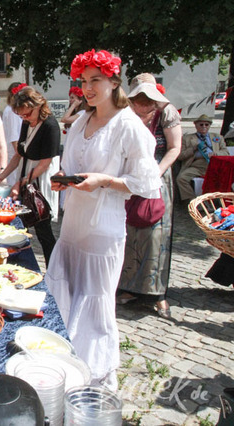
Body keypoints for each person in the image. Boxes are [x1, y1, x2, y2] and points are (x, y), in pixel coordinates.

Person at [46, 49, 161, 390]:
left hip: (102, 232)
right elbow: (75, 165)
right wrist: (63, 178)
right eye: (83, 82)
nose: (89, 88)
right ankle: (65, 368)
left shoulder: (129, 127)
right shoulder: (82, 119)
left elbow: (147, 182)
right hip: (73, 228)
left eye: (95, 80)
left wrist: (104, 181)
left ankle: (94, 381)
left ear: (114, 81)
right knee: (65, 295)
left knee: (95, 306)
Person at [117, 74, 182, 319]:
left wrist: (157, 171)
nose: (142, 105)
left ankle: (157, 293)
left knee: (156, 236)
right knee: (129, 234)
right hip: (131, 177)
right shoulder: (126, 112)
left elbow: (175, 147)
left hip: (157, 179)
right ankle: (128, 288)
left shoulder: (167, 112)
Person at [0, 86, 60, 266]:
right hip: (27, 175)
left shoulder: (50, 125)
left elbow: (45, 164)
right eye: (22, 115)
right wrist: (3, 174)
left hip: (40, 178)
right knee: (21, 226)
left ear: (38, 105)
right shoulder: (26, 123)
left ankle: (52, 268)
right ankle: (19, 263)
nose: (25, 118)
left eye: (28, 114)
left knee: (43, 229)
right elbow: (19, 153)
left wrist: (20, 183)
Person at [176, 115, 229, 202]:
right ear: (196, 125)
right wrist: (193, 149)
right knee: (181, 178)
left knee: (226, 178)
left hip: (214, 165)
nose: (204, 127)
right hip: (196, 166)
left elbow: (226, 152)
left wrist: (215, 154)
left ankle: (220, 201)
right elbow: (180, 156)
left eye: (206, 124)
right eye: (201, 124)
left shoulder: (217, 137)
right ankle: (193, 201)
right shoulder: (187, 138)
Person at [1, 82, 26, 185]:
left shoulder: (12, 110)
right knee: (13, 182)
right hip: (14, 155)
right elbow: (13, 136)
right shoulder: (12, 111)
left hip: (16, 154)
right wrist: (20, 156)